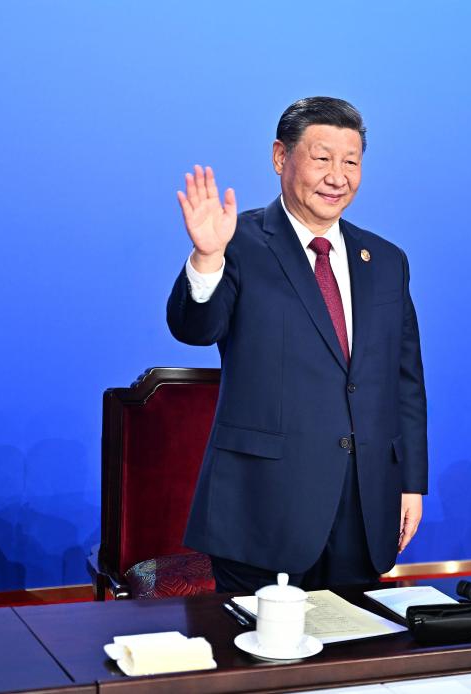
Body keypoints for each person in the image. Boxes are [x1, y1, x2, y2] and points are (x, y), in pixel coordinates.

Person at [166, 97, 428, 591]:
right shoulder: (236, 241)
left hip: (363, 506)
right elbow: (195, 328)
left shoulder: (387, 260)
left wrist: (410, 481)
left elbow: (405, 381)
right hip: (263, 508)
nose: (338, 175)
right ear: (280, 158)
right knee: (256, 660)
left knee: (358, 659)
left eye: (351, 161)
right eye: (322, 158)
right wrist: (205, 259)